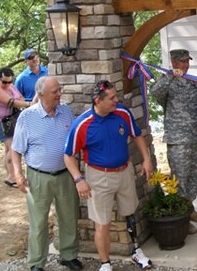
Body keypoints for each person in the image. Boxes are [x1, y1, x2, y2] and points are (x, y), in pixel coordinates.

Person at [63, 80, 154, 271]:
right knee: (102, 223)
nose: (117, 100)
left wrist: (146, 159)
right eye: (112, 98)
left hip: (124, 172)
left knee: (130, 213)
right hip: (98, 177)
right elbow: (68, 155)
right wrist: (79, 179)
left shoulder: (122, 113)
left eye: (116, 96)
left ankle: (136, 252)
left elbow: (136, 135)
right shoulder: (82, 124)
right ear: (98, 101)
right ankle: (105, 264)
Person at [11, 77, 82, 271]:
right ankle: (36, 262)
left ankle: (68, 255)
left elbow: (77, 139)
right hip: (38, 177)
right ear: (41, 94)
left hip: (66, 174)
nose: (59, 94)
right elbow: (16, 150)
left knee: (69, 217)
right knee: (39, 221)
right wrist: (18, 174)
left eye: (59, 90)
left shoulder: (66, 112)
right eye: (55, 92)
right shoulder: (27, 117)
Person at [150, 49, 197, 235]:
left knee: (193, 178)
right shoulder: (166, 81)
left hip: (194, 137)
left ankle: (189, 209)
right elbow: (155, 92)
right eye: (182, 62)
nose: (186, 65)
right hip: (177, 140)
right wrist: (170, 77)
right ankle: (181, 217)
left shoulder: (192, 82)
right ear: (174, 63)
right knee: (180, 180)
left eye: (187, 62)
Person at [0, 67, 31, 188]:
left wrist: (22, 102)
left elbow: (20, 98)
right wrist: (30, 104)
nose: (7, 84)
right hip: (0, 123)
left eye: (10, 81)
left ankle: (10, 175)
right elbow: (11, 102)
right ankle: (12, 176)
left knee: (8, 149)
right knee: (13, 148)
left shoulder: (11, 86)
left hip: (11, 121)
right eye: (4, 82)